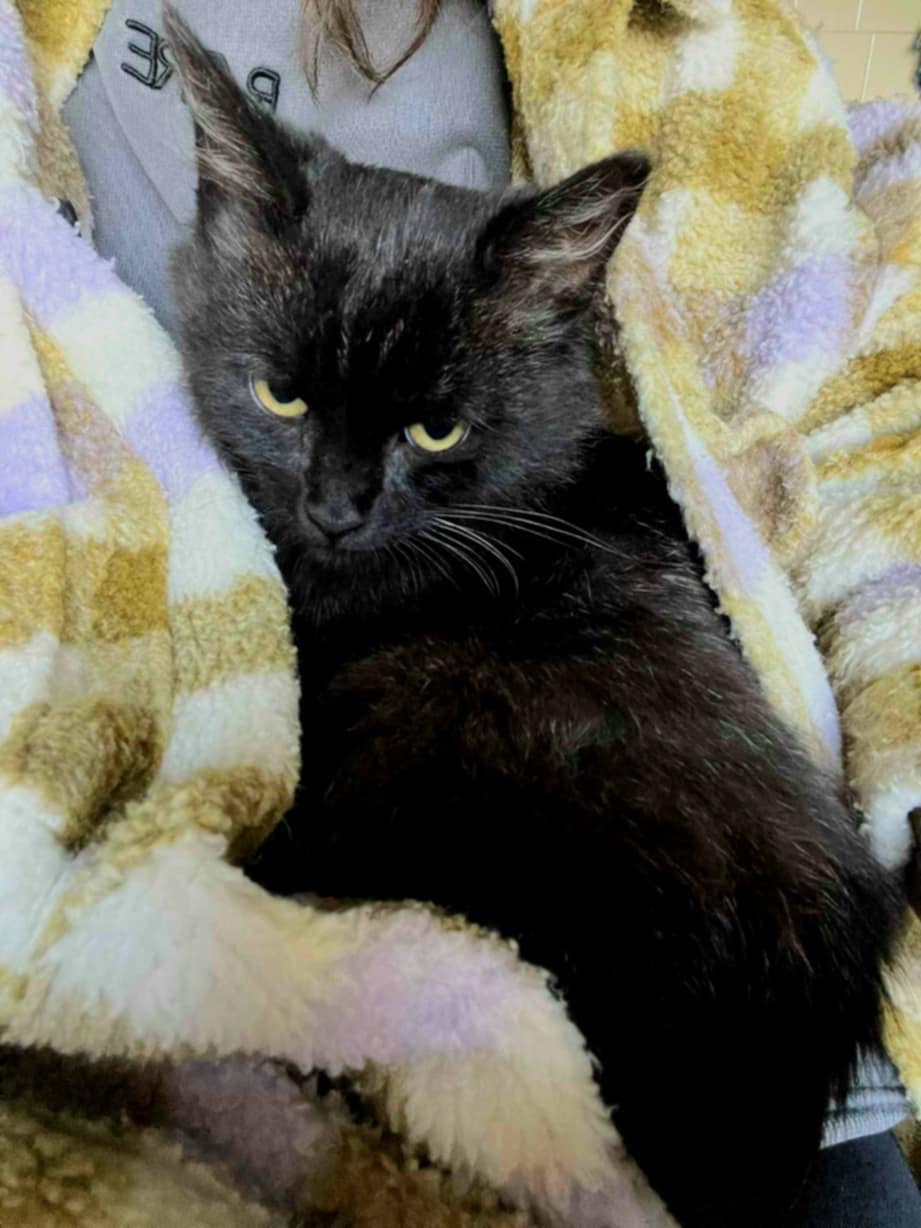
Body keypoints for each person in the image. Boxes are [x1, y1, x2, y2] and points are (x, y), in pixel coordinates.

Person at [60, 2, 919, 1223]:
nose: (340, 506)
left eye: (434, 430)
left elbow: (855, 395)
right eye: (286, 404)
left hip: (690, 952)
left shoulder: (672, 40)